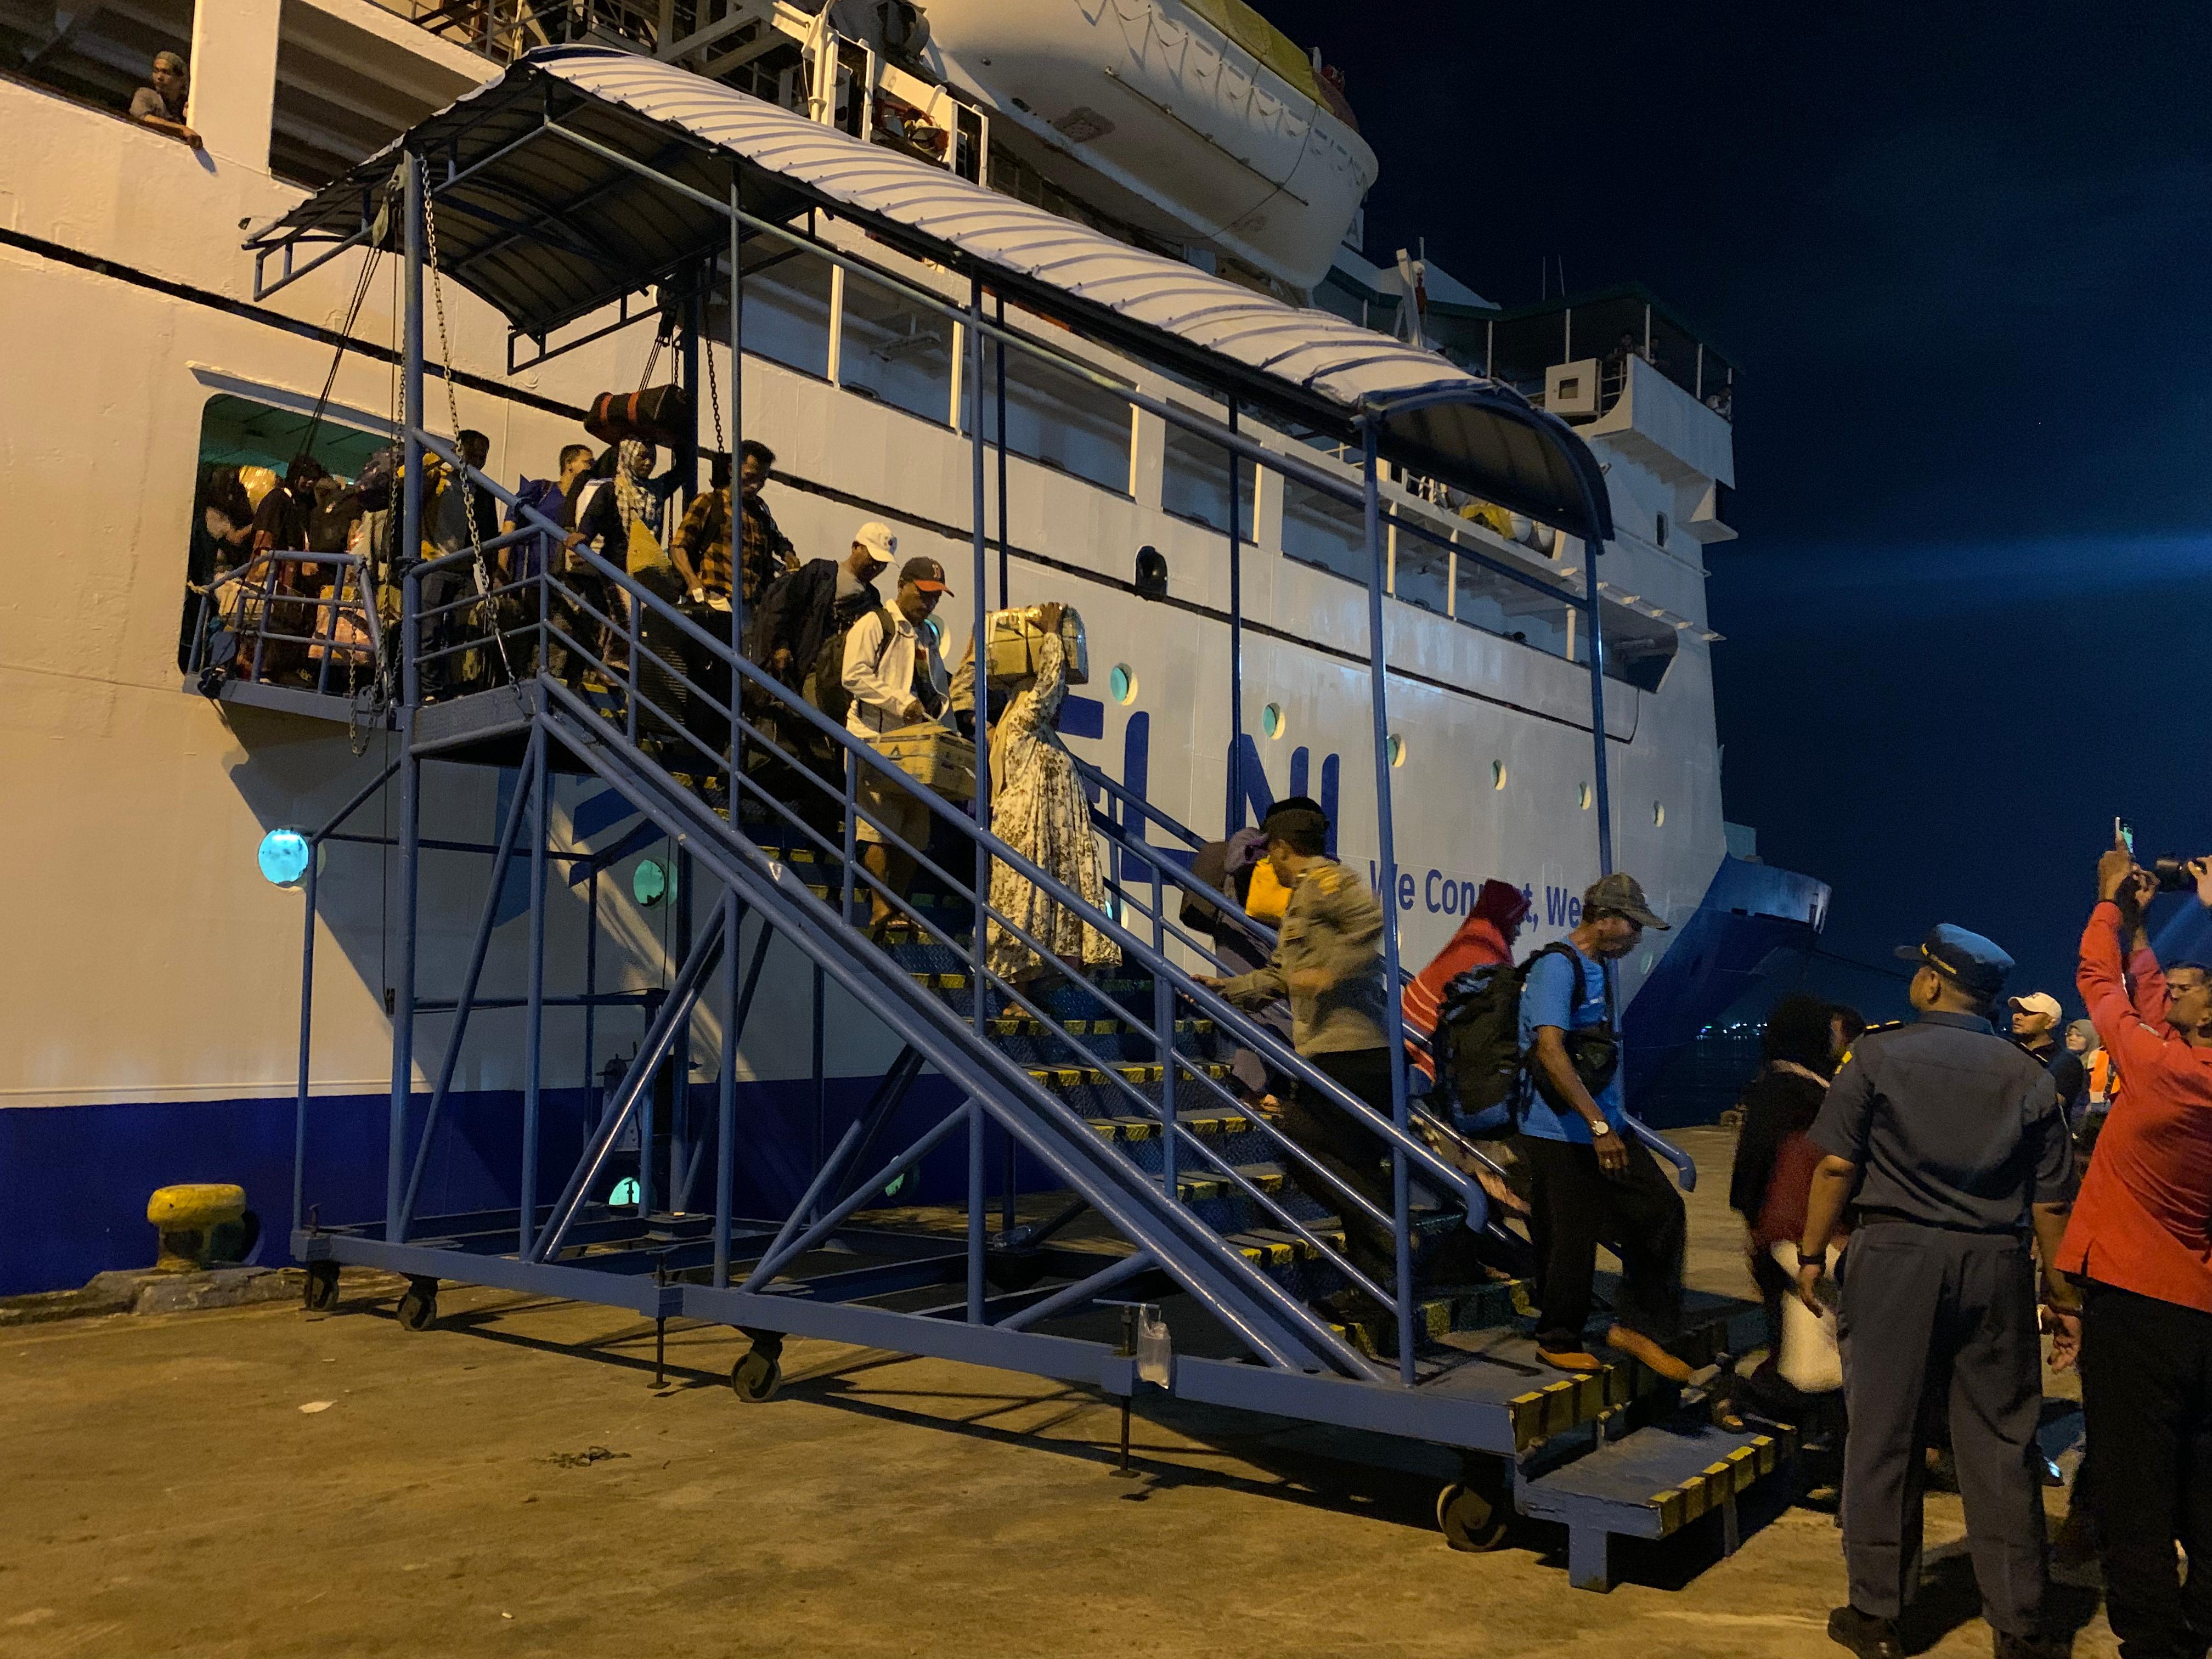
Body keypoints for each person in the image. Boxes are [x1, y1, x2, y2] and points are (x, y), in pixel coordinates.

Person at [1797, 924, 2076, 1659]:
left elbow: (1833, 1169)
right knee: (1999, 1443)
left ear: (1930, 982)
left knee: (1883, 1435)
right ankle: (2019, 1626)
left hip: (1894, 1255)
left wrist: (1807, 1254)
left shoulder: (1878, 1055)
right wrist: (2065, 1298)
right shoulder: (2031, 1078)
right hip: (1994, 1261)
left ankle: (1879, 1616)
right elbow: (2050, 1206)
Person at [2056, 853, 2212, 1659]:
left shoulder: (2164, 1075)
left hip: (2138, 1304)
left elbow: (2100, 984)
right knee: (2200, 1471)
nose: (2177, 995)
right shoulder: (2180, 1065)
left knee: (2134, 1478)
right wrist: (2149, 927)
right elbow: (2149, 1008)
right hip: (2202, 1310)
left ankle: (2154, 1639)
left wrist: (2107, 906)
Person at [1516, 872, 1693, 1382]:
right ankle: (1557, 1340)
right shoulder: (1557, 966)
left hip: (1604, 1125)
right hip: (1560, 1132)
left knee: (1661, 1211)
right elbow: (1550, 1050)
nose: (1637, 938)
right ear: (1606, 919)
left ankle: (1641, 1325)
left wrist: (1606, 1124)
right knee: (1570, 1237)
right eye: (1633, 927)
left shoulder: (1599, 967)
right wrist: (1598, 1127)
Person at [1728, 994, 1854, 1414]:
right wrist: (1759, 1222)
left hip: (1797, 1230)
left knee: (1807, 1352)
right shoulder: (1790, 1090)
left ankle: (1763, 1397)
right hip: (1795, 1232)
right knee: (1808, 1347)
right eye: (1830, 1028)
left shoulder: (1799, 1084)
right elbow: (1757, 1162)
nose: (1837, 1037)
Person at [983, 603, 1120, 986]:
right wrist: (1052, 634)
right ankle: (1017, 994)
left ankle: (1036, 989)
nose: (1059, 708)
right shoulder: (1021, 724)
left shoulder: (1043, 737)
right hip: (1029, 839)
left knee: (1051, 916)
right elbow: (1047, 689)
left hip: (1049, 842)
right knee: (1025, 910)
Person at [841, 556, 952, 930]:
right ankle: (880, 907)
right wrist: (898, 701)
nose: (930, 603)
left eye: (936, 597)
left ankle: (898, 904)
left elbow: (938, 692)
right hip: (872, 739)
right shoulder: (875, 624)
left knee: (914, 832)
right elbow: (853, 676)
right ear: (903, 586)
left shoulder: (927, 637)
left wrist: (950, 737)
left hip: (915, 748)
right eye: (924, 594)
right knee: (878, 829)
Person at [754, 522, 895, 696]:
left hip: (836, 681)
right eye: (872, 558)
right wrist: (780, 646)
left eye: (883, 563)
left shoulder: (872, 598)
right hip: (801, 670)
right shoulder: (820, 573)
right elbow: (783, 607)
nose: (876, 567)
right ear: (855, 547)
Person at [2012, 990, 2089, 1126]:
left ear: (2050, 1023)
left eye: (2028, 1013)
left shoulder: (2066, 1063)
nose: (2017, 1017)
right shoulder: (2008, 1048)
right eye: (2018, 1010)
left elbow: (2046, 1109)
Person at [736, 440, 797, 608]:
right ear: (732, 469)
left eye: (762, 480)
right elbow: (681, 546)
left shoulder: (761, 510)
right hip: (724, 598)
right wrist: (694, 582)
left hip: (756, 599)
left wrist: (788, 555)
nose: (755, 485)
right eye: (749, 476)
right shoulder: (713, 504)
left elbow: (776, 537)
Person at [129, 51, 200, 148]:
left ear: (181, 80)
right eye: (156, 71)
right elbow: (143, 118)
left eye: (166, 73)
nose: (159, 77)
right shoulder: (145, 95)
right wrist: (181, 128)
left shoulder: (187, 104)